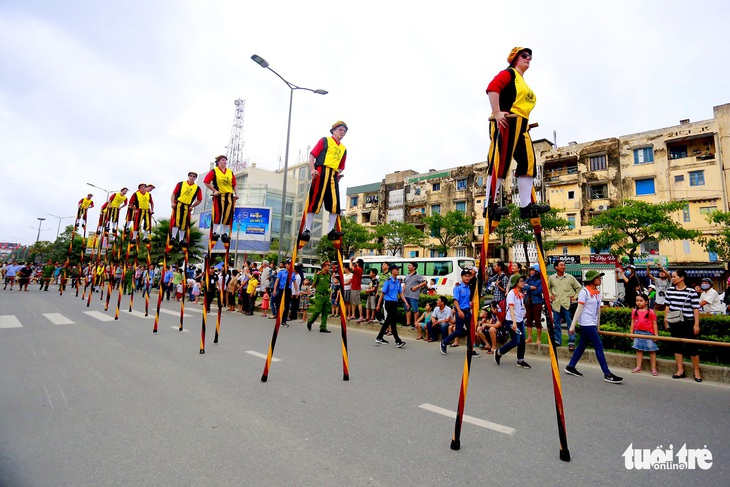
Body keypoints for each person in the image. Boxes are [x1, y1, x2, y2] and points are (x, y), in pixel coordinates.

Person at [484, 47, 550, 221]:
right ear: (515, 58)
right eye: (524, 55)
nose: (528, 58)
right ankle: (489, 205)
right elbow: (492, 88)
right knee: (500, 161)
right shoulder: (509, 74)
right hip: (507, 121)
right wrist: (497, 112)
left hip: (522, 125)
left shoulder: (522, 81)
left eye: (530, 56)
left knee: (528, 163)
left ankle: (526, 206)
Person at [564, 270, 624, 384]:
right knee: (599, 346)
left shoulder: (596, 292)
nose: (600, 280)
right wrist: (572, 326)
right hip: (586, 323)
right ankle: (607, 374)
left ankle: (570, 366)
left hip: (592, 323)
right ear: (591, 280)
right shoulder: (584, 292)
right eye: (597, 278)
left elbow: (598, 310)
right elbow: (579, 309)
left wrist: (598, 324)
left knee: (582, 346)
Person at [299, 121, 348, 243]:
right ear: (334, 130)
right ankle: (307, 229)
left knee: (335, 204)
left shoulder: (343, 149)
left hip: (332, 175)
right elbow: (312, 155)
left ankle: (331, 230)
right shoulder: (325, 140)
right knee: (315, 200)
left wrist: (338, 174)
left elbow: (341, 165)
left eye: (344, 131)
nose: (343, 132)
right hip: (321, 172)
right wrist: (312, 169)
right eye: (340, 129)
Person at [664, 269, 702, 382]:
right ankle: (680, 370)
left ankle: (697, 371)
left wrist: (696, 324)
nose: (673, 278)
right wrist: (666, 320)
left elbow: (696, 309)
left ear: (682, 277)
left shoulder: (691, 291)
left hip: (688, 321)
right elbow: (667, 306)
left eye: (674, 276)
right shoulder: (670, 290)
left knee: (692, 347)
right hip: (674, 322)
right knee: (677, 346)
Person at [494, 274, 530, 368]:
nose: (523, 283)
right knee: (516, 341)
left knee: (522, 340)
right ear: (516, 283)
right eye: (521, 281)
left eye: (523, 281)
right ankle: (499, 352)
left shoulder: (521, 294)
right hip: (511, 321)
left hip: (520, 320)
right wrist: (514, 322)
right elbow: (511, 308)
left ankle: (520, 360)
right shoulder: (511, 293)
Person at [440, 270, 477, 356]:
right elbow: (455, 300)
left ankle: (470, 350)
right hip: (461, 312)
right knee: (458, 331)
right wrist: (459, 311)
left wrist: (470, 304)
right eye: (465, 276)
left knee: (471, 331)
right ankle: (444, 343)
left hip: (468, 312)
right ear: (462, 277)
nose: (467, 278)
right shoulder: (458, 288)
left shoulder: (468, 288)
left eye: (468, 276)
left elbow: (467, 300)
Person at [203, 155, 238, 243]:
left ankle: (224, 234)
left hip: (229, 196)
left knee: (227, 215)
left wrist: (236, 194)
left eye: (225, 160)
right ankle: (214, 232)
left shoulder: (230, 172)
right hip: (219, 195)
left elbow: (234, 184)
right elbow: (206, 181)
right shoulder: (214, 171)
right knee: (218, 213)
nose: (224, 162)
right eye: (223, 160)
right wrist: (214, 190)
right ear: (218, 162)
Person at [548, 259, 581, 350]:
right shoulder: (551, 278)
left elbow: (579, 288)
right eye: (561, 265)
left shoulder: (570, 277)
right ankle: (557, 340)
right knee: (556, 323)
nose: (563, 266)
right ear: (556, 267)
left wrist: (575, 296)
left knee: (570, 323)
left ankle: (571, 342)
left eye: (564, 265)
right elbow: (547, 288)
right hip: (556, 304)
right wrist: (551, 295)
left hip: (567, 304)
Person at [375, 265, 409, 348]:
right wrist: (378, 305)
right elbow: (382, 293)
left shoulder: (398, 282)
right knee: (392, 321)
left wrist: (406, 302)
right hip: (388, 303)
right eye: (396, 270)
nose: (398, 271)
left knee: (389, 321)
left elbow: (401, 293)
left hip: (394, 303)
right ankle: (397, 340)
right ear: (392, 271)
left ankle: (380, 337)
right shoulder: (388, 281)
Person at [170, 171, 203, 248]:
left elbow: (200, 199)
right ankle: (173, 237)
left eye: (194, 176)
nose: (192, 177)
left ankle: (181, 239)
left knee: (184, 223)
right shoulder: (181, 184)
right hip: (178, 204)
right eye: (190, 176)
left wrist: (192, 206)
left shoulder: (197, 188)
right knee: (176, 221)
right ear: (188, 176)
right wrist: (172, 203)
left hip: (187, 207)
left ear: (195, 178)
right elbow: (174, 194)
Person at [630, 294, 659, 376]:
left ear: (646, 302)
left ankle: (653, 368)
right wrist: (631, 333)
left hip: (648, 333)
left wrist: (655, 334)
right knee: (639, 350)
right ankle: (638, 367)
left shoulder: (651, 312)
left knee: (652, 350)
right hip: (637, 332)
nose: (638, 303)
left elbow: (654, 324)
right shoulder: (635, 311)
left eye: (640, 301)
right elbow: (632, 322)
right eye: (637, 301)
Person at [306, 260, 334, 333]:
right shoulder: (318, 274)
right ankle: (310, 321)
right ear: (324, 266)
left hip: (326, 295)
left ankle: (323, 327)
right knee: (318, 310)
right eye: (328, 265)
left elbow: (328, 284)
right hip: (319, 295)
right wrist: (319, 289)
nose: (329, 267)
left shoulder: (329, 275)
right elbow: (314, 284)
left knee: (325, 312)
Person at [524, 263, 544, 344]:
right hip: (528, 301)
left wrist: (528, 288)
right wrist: (530, 287)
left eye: (532, 270)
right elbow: (523, 285)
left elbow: (538, 291)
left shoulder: (540, 280)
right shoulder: (530, 279)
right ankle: (529, 337)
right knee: (528, 319)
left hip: (537, 302)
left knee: (537, 320)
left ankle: (538, 338)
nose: (531, 272)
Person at [403, 262, 427, 328]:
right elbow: (405, 284)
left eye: (410, 265)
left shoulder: (418, 275)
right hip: (406, 295)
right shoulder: (407, 275)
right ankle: (408, 323)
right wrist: (402, 291)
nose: (408, 266)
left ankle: (415, 323)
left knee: (415, 310)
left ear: (414, 267)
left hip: (413, 295)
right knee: (407, 309)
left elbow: (424, 282)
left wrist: (416, 287)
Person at [272, 260, 292, 327]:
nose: (289, 265)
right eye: (288, 264)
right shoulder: (281, 272)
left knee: (287, 306)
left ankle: (284, 321)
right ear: (286, 265)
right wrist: (274, 290)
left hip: (288, 290)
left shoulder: (292, 273)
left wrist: (296, 291)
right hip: (281, 290)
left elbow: (294, 283)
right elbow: (277, 281)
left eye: (291, 264)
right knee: (278, 305)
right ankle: (278, 318)